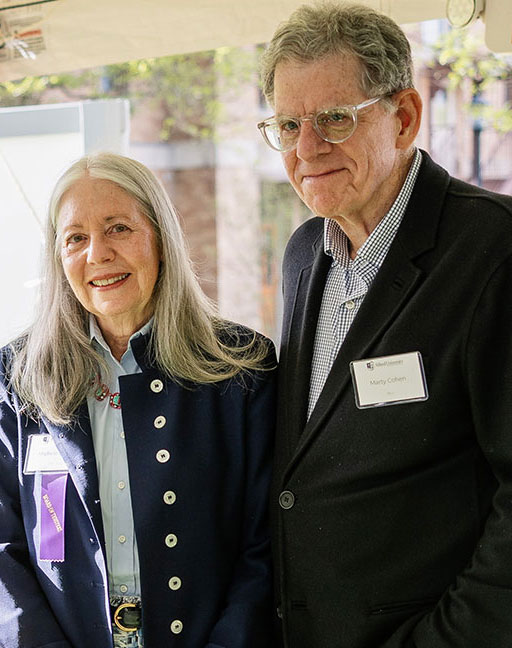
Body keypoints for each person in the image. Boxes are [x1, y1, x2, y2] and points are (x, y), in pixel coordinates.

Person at [257, 3, 512, 647]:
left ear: (403, 117)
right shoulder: (302, 255)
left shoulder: (494, 250)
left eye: (334, 119)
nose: (306, 148)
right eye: (288, 125)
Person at [0, 152, 276, 648]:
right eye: (75, 238)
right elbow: (4, 549)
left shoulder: (240, 368)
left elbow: (265, 548)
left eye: (119, 228)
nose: (97, 254)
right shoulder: (17, 377)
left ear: (161, 240)